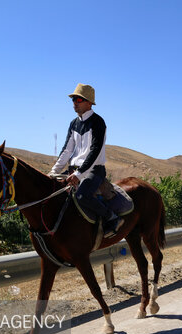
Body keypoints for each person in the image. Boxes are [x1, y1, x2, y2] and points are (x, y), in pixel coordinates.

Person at [48, 83, 123, 237]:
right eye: (73, 99)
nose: (74, 102)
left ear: (89, 102)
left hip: (94, 170)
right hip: (74, 170)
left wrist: (79, 173)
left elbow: (95, 151)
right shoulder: (73, 123)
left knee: (82, 196)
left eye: (78, 99)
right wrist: (53, 172)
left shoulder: (98, 122)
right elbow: (67, 150)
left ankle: (112, 217)